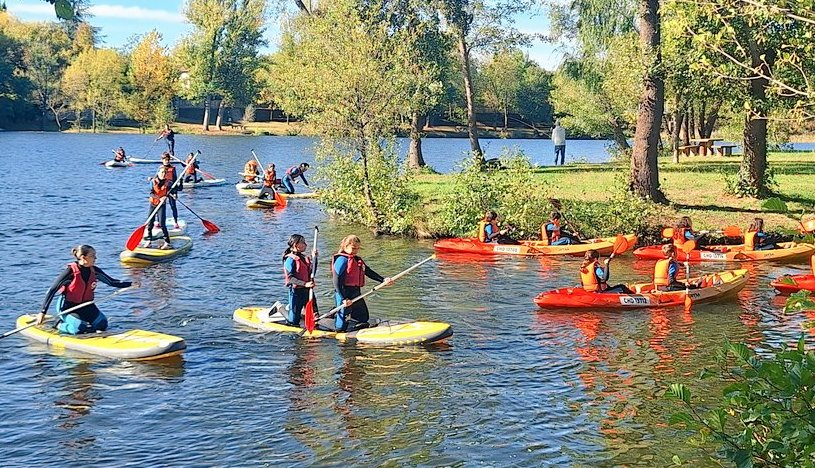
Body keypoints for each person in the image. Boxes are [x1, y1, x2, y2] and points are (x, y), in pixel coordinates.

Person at [35, 245, 133, 335]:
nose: (95, 258)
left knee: (102, 324)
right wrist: (42, 312)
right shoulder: (70, 272)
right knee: (79, 328)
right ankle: (59, 324)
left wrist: (131, 284)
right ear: (83, 257)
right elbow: (52, 290)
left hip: (86, 306)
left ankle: (85, 323)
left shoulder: (95, 271)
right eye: (92, 256)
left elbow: (112, 282)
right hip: (68, 308)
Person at [332, 235, 392, 332]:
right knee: (341, 325)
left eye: (358, 248)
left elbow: (368, 272)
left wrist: (383, 279)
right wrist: (344, 298)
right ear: (345, 246)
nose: (356, 251)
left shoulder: (357, 259)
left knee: (363, 317)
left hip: (355, 292)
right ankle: (339, 332)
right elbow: (336, 281)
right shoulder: (341, 260)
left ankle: (355, 331)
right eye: (353, 248)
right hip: (343, 292)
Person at [282, 234, 316, 326]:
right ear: (295, 245)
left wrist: (315, 258)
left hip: (308, 290)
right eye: (303, 243)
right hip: (296, 291)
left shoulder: (305, 258)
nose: (306, 245)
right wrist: (305, 284)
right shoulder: (290, 259)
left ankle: (313, 325)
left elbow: (312, 272)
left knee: (314, 313)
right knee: (294, 320)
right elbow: (290, 279)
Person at [144, 166, 173, 249]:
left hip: (161, 206)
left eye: (165, 173)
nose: (163, 174)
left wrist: (173, 194)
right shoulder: (153, 182)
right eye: (162, 172)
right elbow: (151, 193)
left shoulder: (168, 183)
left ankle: (167, 242)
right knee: (150, 223)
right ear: (158, 173)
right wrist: (159, 198)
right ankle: (149, 240)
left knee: (162, 224)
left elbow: (175, 189)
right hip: (153, 204)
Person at [159, 152, 181, 228]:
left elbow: (175, 180)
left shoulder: (173, 169)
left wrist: (175, 193)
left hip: (171, 190)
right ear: (162, 160)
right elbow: (158, 179)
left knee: (173, 206)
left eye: (168, 159)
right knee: (159, 206)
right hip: (162, 190)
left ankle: (175, 221)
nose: (166, 161)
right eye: (165, 159)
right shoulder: (160, 168)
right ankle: (159, 221)